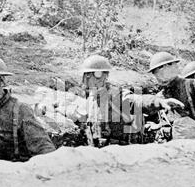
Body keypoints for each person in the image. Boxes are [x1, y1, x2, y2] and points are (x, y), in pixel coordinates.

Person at [56, 55, 184, 147]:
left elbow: (137, 100)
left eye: (92, 76)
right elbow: (83, 116)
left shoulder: (116, 94)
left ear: (104, 77)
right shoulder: (92, 98)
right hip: (98, 152)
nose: (87, 80)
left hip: (120, 152)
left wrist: (160, 102)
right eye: (86, 76)